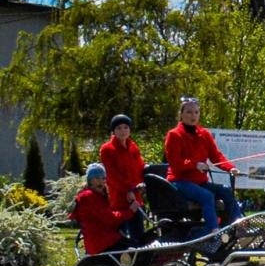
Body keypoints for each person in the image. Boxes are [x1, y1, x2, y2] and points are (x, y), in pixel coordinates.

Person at [163, 96, 242, 241]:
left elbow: (216, 156)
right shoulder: (174, 135)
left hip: (199, 181)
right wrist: (194, 164)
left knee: (225, 191)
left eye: (196, 112)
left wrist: (230, 168)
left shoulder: (204, 134)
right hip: (179, 181)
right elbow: (175, 161)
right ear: (181, 114)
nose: (193, 116)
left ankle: (237, 226)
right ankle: (213, 230)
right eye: (189, 112)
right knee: (206, 196)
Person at [70, 163, 139, 258]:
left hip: (106, 240)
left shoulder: (98, 196)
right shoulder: (89, 197)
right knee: (138, 250)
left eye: (103, 179)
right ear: (90, 180)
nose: (101, 182)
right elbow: (110, 218)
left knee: (138, 247)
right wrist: (130, 211)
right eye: (97, 178)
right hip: (102, 243)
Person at [99, 113, 147, 245]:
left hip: (135, 196)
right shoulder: (107, 149)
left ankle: (137, 259)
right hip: (119, 198)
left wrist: (140, 185)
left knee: (138, 232)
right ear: (113, 131)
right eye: (119, 128)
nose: (123, 131)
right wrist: (128, 189)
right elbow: (112, 175)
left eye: (126, 127)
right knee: (119, 233)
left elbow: (139, 168)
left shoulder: (133, 147)